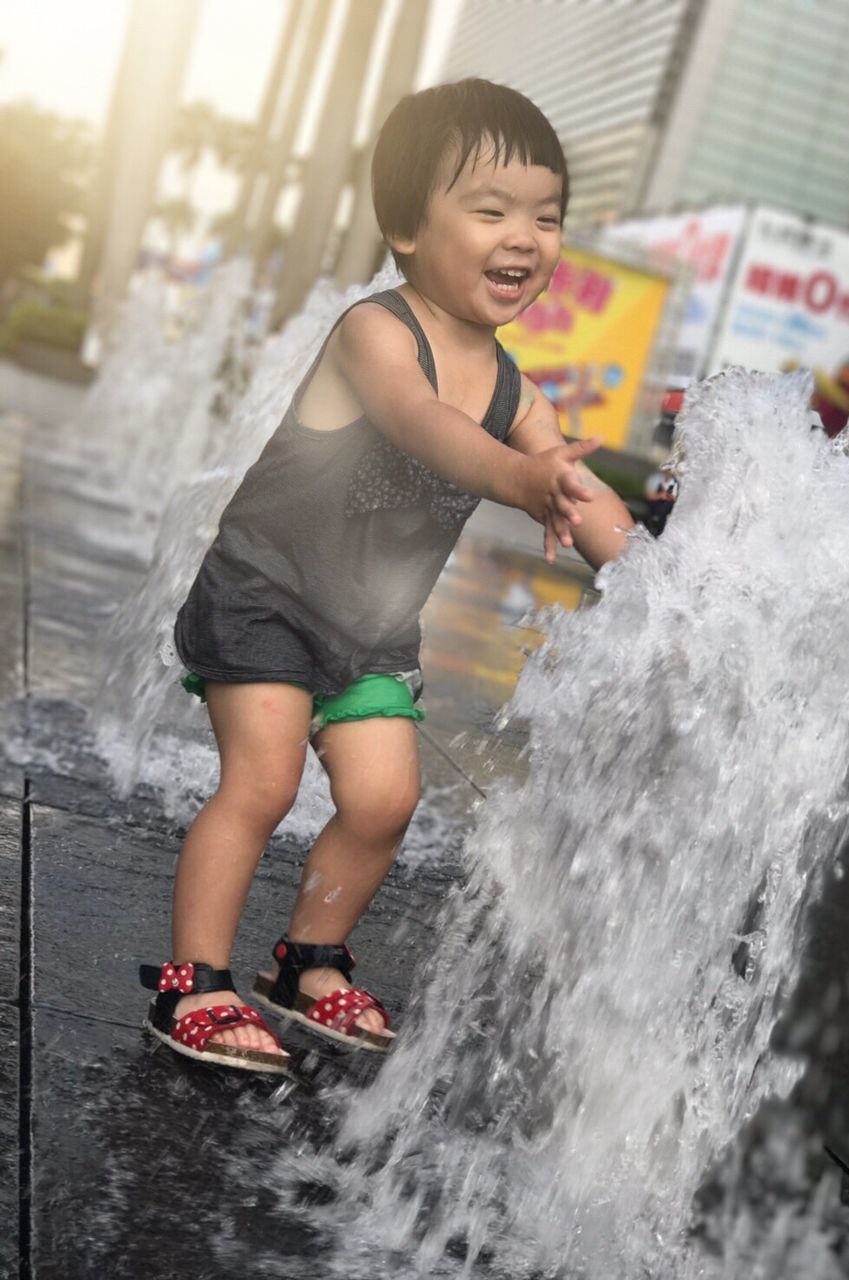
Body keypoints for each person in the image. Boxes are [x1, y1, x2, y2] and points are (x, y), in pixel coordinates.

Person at [140, 79, 637, 1072]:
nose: (526, 237)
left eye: (547, 217)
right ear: (407, 225)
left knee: (382, 801)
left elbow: (580, 497)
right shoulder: (377, 333)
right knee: (265, 776)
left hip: (370, 629)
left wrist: (663, 578)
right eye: (491, 210)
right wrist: (520, 476)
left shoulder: (515, 387)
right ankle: (192, 983)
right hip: (266, 593)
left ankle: (308, 962)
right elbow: (424, 427)